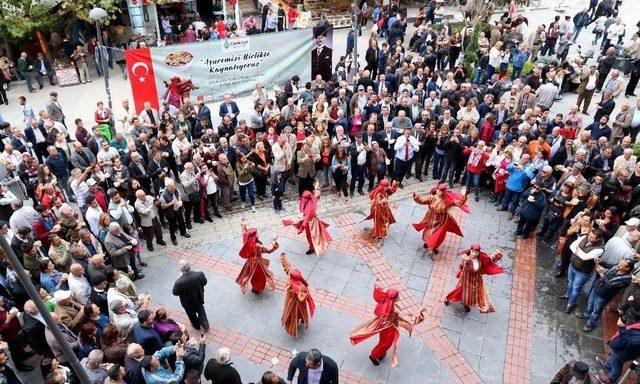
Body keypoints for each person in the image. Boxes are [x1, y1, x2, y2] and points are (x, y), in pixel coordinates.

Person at [350, 285, 425, 366]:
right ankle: (373, 356)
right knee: (385, 344)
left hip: (384, 326)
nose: (399, 297)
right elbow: (408, 318)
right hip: (389, 329)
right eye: (397, 296)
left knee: (383, 342)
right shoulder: (394, 309)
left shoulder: (384, 301)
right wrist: (419, 314)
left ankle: (380, 354)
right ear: (395, 298)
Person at [444, 244, 504, 313]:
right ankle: (454, 300)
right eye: (473, 251)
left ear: (479, 252)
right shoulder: (466, 259)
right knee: (462, 292)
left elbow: (490, 260)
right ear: (470, 251)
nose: (475, 254)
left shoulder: (481, 257)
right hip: (467, 280)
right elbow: (461, 267)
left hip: (476, 280)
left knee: (469, 292)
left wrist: (496, 254)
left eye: (477, 252)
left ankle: (463, 302)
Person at [412, 184, 469, 256]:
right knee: (428, 232)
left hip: (441, 221)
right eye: (438, 190)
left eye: (440, 191)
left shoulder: (447, 200)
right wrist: (417, 198)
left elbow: (459, 203)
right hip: (431, 218)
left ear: (443, 192)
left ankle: (433, 246)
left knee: (438, 235)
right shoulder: (432, 197)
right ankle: (427, 244)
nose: (438, 192)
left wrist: (463, 196)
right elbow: (422, 201)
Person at [283, 185, 332, 255]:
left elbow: (306, 219)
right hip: (314, 220)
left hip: (310, 223)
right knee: (317, 234)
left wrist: (300, 227)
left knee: (310, 236)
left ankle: (312, 248)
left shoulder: (309, 208)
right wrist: (317, 186)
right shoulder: (313, 198)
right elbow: (318, 194)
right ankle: (318, 244)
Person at [236, 220, 278, 294]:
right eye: (257, 233)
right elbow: (269, 249)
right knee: (259, 275)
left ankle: (253, 285)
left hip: (250, 261)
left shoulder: (247, 238)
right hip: (257, 263)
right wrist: (274, 240)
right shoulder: (257, 246)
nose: (258, 234)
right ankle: (256, 288)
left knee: (251, 273)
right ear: (254, 236)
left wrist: (243, 225)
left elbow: (244, 232)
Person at [280, 253, 314, 337]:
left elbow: (286, 267)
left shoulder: (293, 281)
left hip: (292, 301)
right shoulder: (300, 285)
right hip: (297, 301)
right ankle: (303, 319)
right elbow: (287, 267)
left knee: (293, 313)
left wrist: (283, 258)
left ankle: (293, 324)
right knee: (302, 310)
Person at [172, 260, 209, 331]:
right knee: (201, 310)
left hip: (187, 302)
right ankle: (205, 325)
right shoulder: (200, 274)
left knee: (191, 315)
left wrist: (177, 280)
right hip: (199, 298)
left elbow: (175, 292)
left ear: (181, 269)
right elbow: (204, 282)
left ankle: (196, 326)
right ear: (189, 266)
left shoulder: (179, 281)